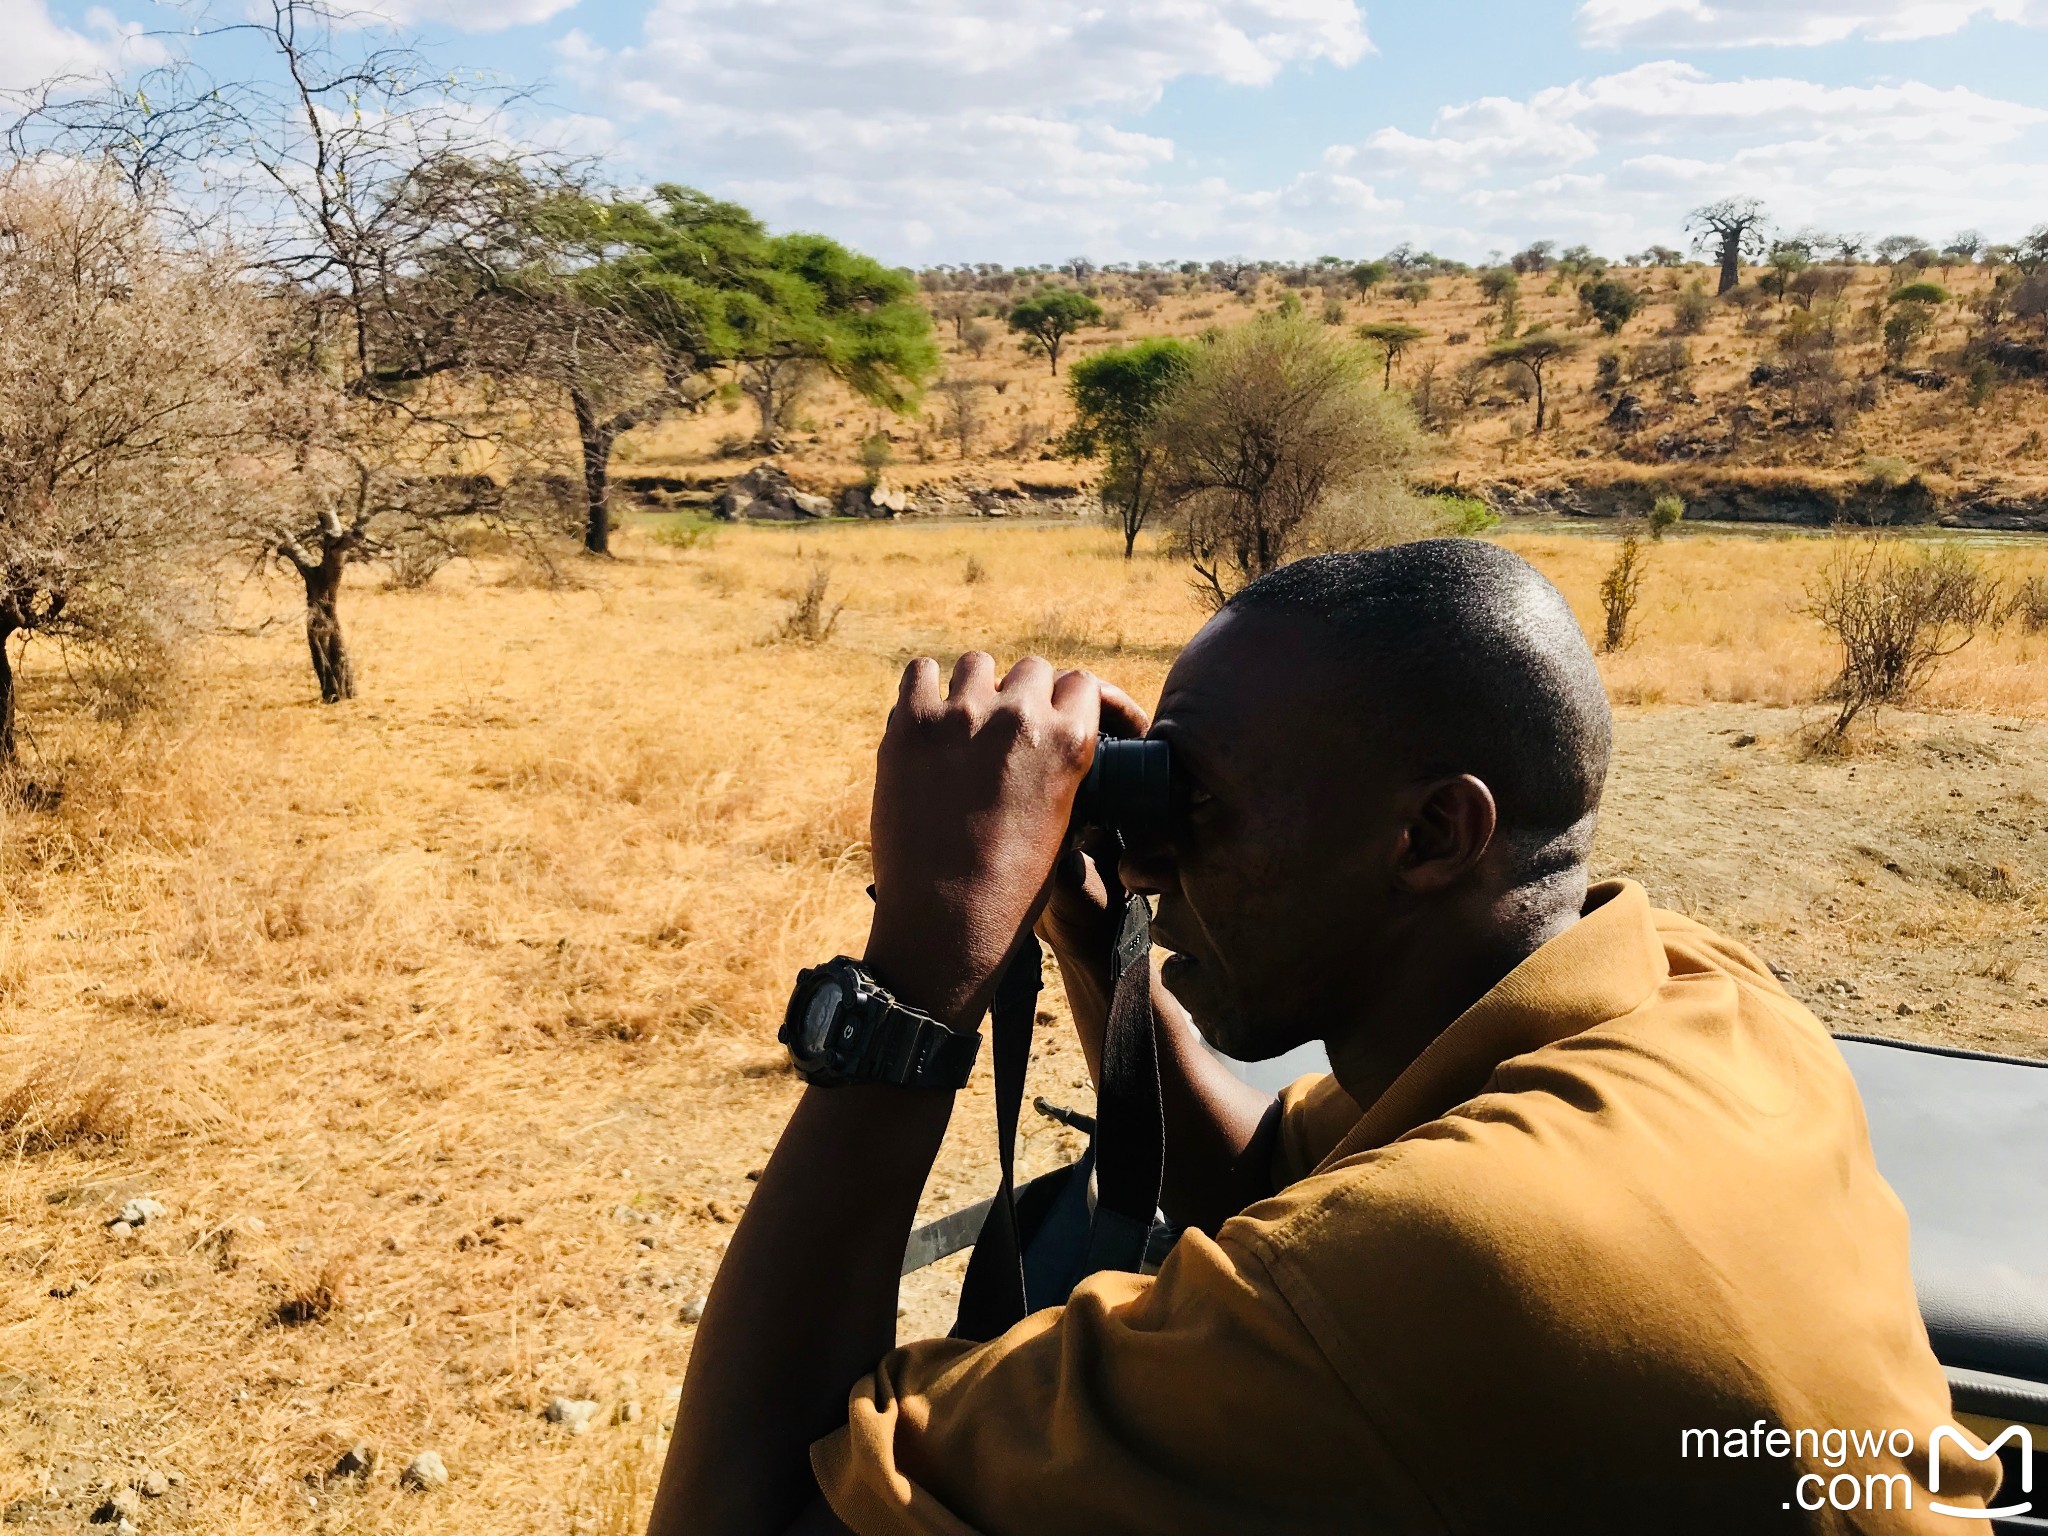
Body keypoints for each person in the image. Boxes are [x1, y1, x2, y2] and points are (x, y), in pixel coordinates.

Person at [649, 541, 1999, 1534]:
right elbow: (1255, 1189)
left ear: (1430, 835)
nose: (1162, 857)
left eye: (1203, 801)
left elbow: (740, 1513)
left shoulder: (1430, 1264)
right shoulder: (1704, 993)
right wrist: (1083, 925)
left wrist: (924, 969)